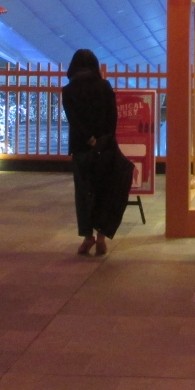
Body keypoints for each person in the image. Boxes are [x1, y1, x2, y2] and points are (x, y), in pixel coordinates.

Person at [62, 49, 132, 256]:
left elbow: (74, 120)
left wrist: (89, 140)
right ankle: (102, 236)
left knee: (84, 193)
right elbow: (112, 116)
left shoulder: (68, 90)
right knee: (105, 191)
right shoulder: (104, 86)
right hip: (106, 147)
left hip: (81, 148)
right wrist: (103, 139)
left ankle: (87, 237)